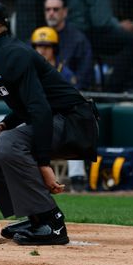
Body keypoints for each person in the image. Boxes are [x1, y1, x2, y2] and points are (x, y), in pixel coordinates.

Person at [0, 0, 99, 245]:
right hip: (55, 119)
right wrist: (2, 125)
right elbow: (26, 106)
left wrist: (43, 163)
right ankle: (36, 216)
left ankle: (52, 222)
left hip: (75, 122)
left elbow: (40, 109)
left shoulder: (11, 53)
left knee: (8, 144)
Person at [30, 26, 88, 192]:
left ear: (54, 49)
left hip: (61, 118)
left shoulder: (65, 72)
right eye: (39, 46)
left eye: (47, 46)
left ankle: (78, 179)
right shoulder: (29, 70)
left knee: (75, 130)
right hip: (36, 117)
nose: (42, 50)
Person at [43, 0, 94, 91]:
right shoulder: (37, 37)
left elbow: (84, 77)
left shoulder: (78, 40)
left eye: (56, 9)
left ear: (65, 12)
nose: (51, 13)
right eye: (48, 9)